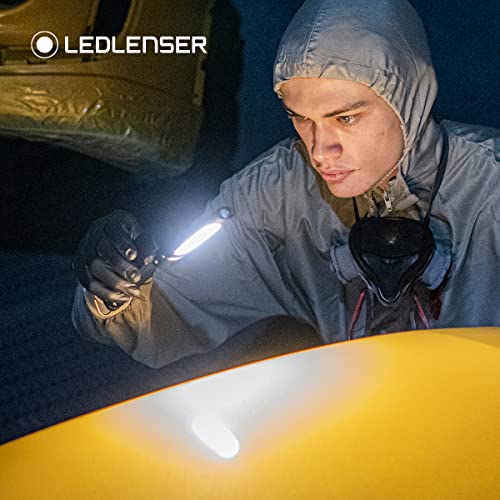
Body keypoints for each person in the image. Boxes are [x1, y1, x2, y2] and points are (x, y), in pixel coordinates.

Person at [72, 0, 499, 368]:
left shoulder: (490, 184)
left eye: (345, 118)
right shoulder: (276, 195)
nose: (319, 151)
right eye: (301, 119)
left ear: (408, 96)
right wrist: (110, 287)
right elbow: (159, 314)